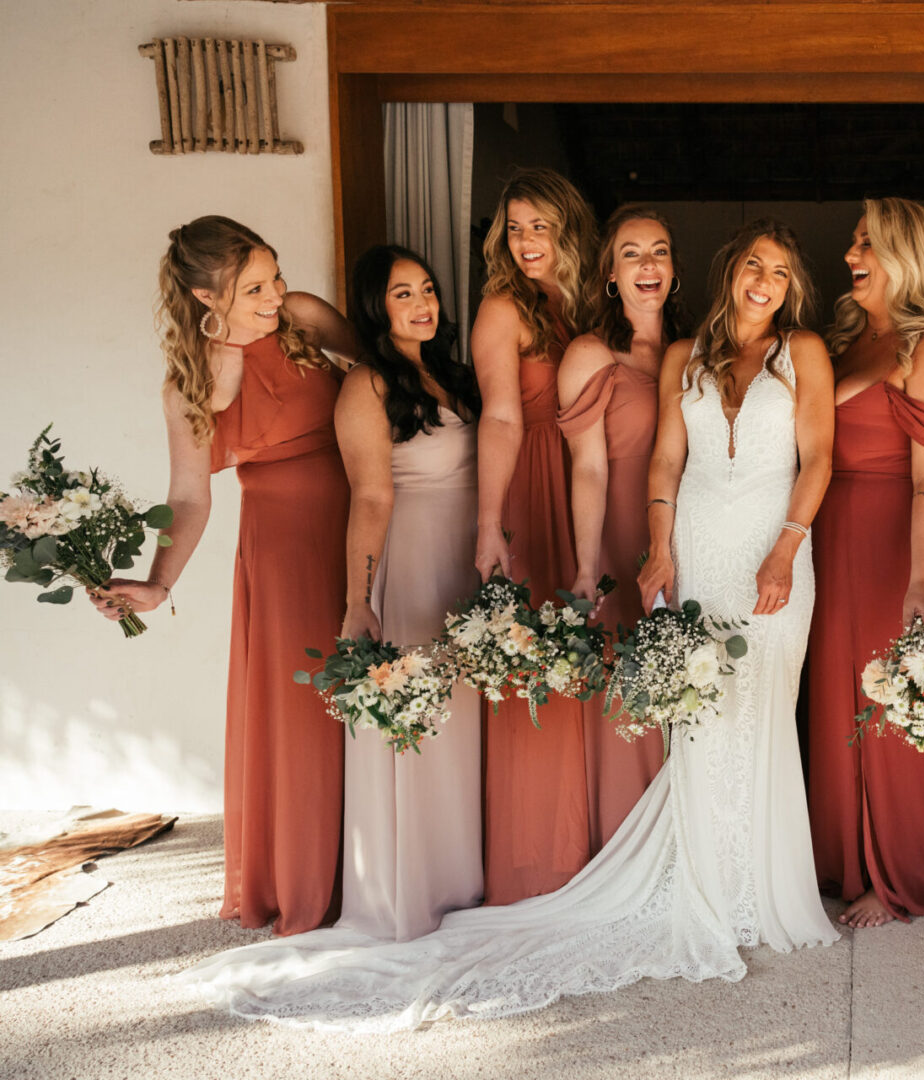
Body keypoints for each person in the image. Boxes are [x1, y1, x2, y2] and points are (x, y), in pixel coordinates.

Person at [180, 218, 839, 1031]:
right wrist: (641, 547)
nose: (761, 279)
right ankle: (705, 879)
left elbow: (817, 457)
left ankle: (767, 888)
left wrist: (784, 547)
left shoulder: (786, 350)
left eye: (776, 267)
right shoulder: (675, 357)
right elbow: (646, 461)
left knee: (763, 706)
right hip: (689, 544)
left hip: (766, 544)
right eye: (749, 263)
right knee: (696, 723)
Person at [93, 216, 359, 935]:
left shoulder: (302, 314)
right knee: (309, 703)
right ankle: (312, 877)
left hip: (369, 506)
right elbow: (189, 495)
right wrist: (157, 583)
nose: (276, 294)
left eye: (275, 275)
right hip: (283, 545)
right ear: (207, 296)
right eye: (254, 288)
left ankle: (393, 863)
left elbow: (385, 378)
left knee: (389, 674)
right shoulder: (186, 387)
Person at [806, 197, 924, 928]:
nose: (853, 254)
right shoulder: (848, 341)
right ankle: (842, 855)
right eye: (854, 241)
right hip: (833, 538)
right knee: (835, 702)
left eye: (869, 243)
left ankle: (900, 871)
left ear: (907, 256)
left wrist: (918, 580)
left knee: (893, 702)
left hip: (901, 540)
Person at [330, 244, 484, 941]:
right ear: (374, 306)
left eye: (427, 289)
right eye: (402, 295)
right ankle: (406, 888)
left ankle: (458, 879)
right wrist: (359, 599)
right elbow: (368, 498)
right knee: (420, 723)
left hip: (464, 565)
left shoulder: (449, 374)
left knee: (462, 722)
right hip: (414, 560)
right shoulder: (367, 384)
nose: (424, 304)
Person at [470, 168, 599, 903]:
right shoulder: (502, 308)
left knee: (589, 655)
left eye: (539, 226)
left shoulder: (587, 304)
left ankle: (593, 839)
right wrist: (491, 522)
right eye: (514, 227)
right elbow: (501, 416)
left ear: (567, 230)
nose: (525, 242)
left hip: (589, 483)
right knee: (536, 662)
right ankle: (535, 858)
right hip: (530, 478)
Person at [557, 205, 690, 853]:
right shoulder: (590, 354)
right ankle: (630, 846)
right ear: (610, 274)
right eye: (631, 253)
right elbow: (585, 470)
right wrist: (588, 569)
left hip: (692, 540)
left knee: (694, 685)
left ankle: (690, 842)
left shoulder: (697, 350)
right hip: (617, 536)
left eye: (659, 251)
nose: (647, 265)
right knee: (629, 697)